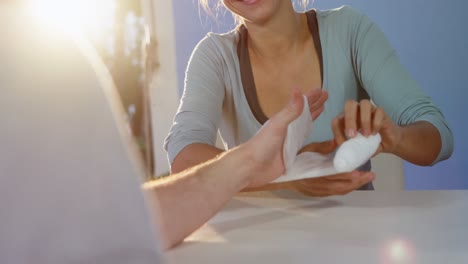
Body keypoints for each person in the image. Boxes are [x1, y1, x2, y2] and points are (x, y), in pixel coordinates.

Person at [3, 3, 372, 263]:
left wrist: (251, 162)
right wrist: (280, 179)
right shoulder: (36, 57)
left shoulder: (349, 29)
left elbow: (107, 224)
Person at [165, 0, 454, 196]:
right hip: (254, 243)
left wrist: (397, 137)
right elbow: (183, 156)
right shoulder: (215, 57)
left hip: (355, 242)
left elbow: (439, 137)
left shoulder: (349, 32)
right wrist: (283, 175)